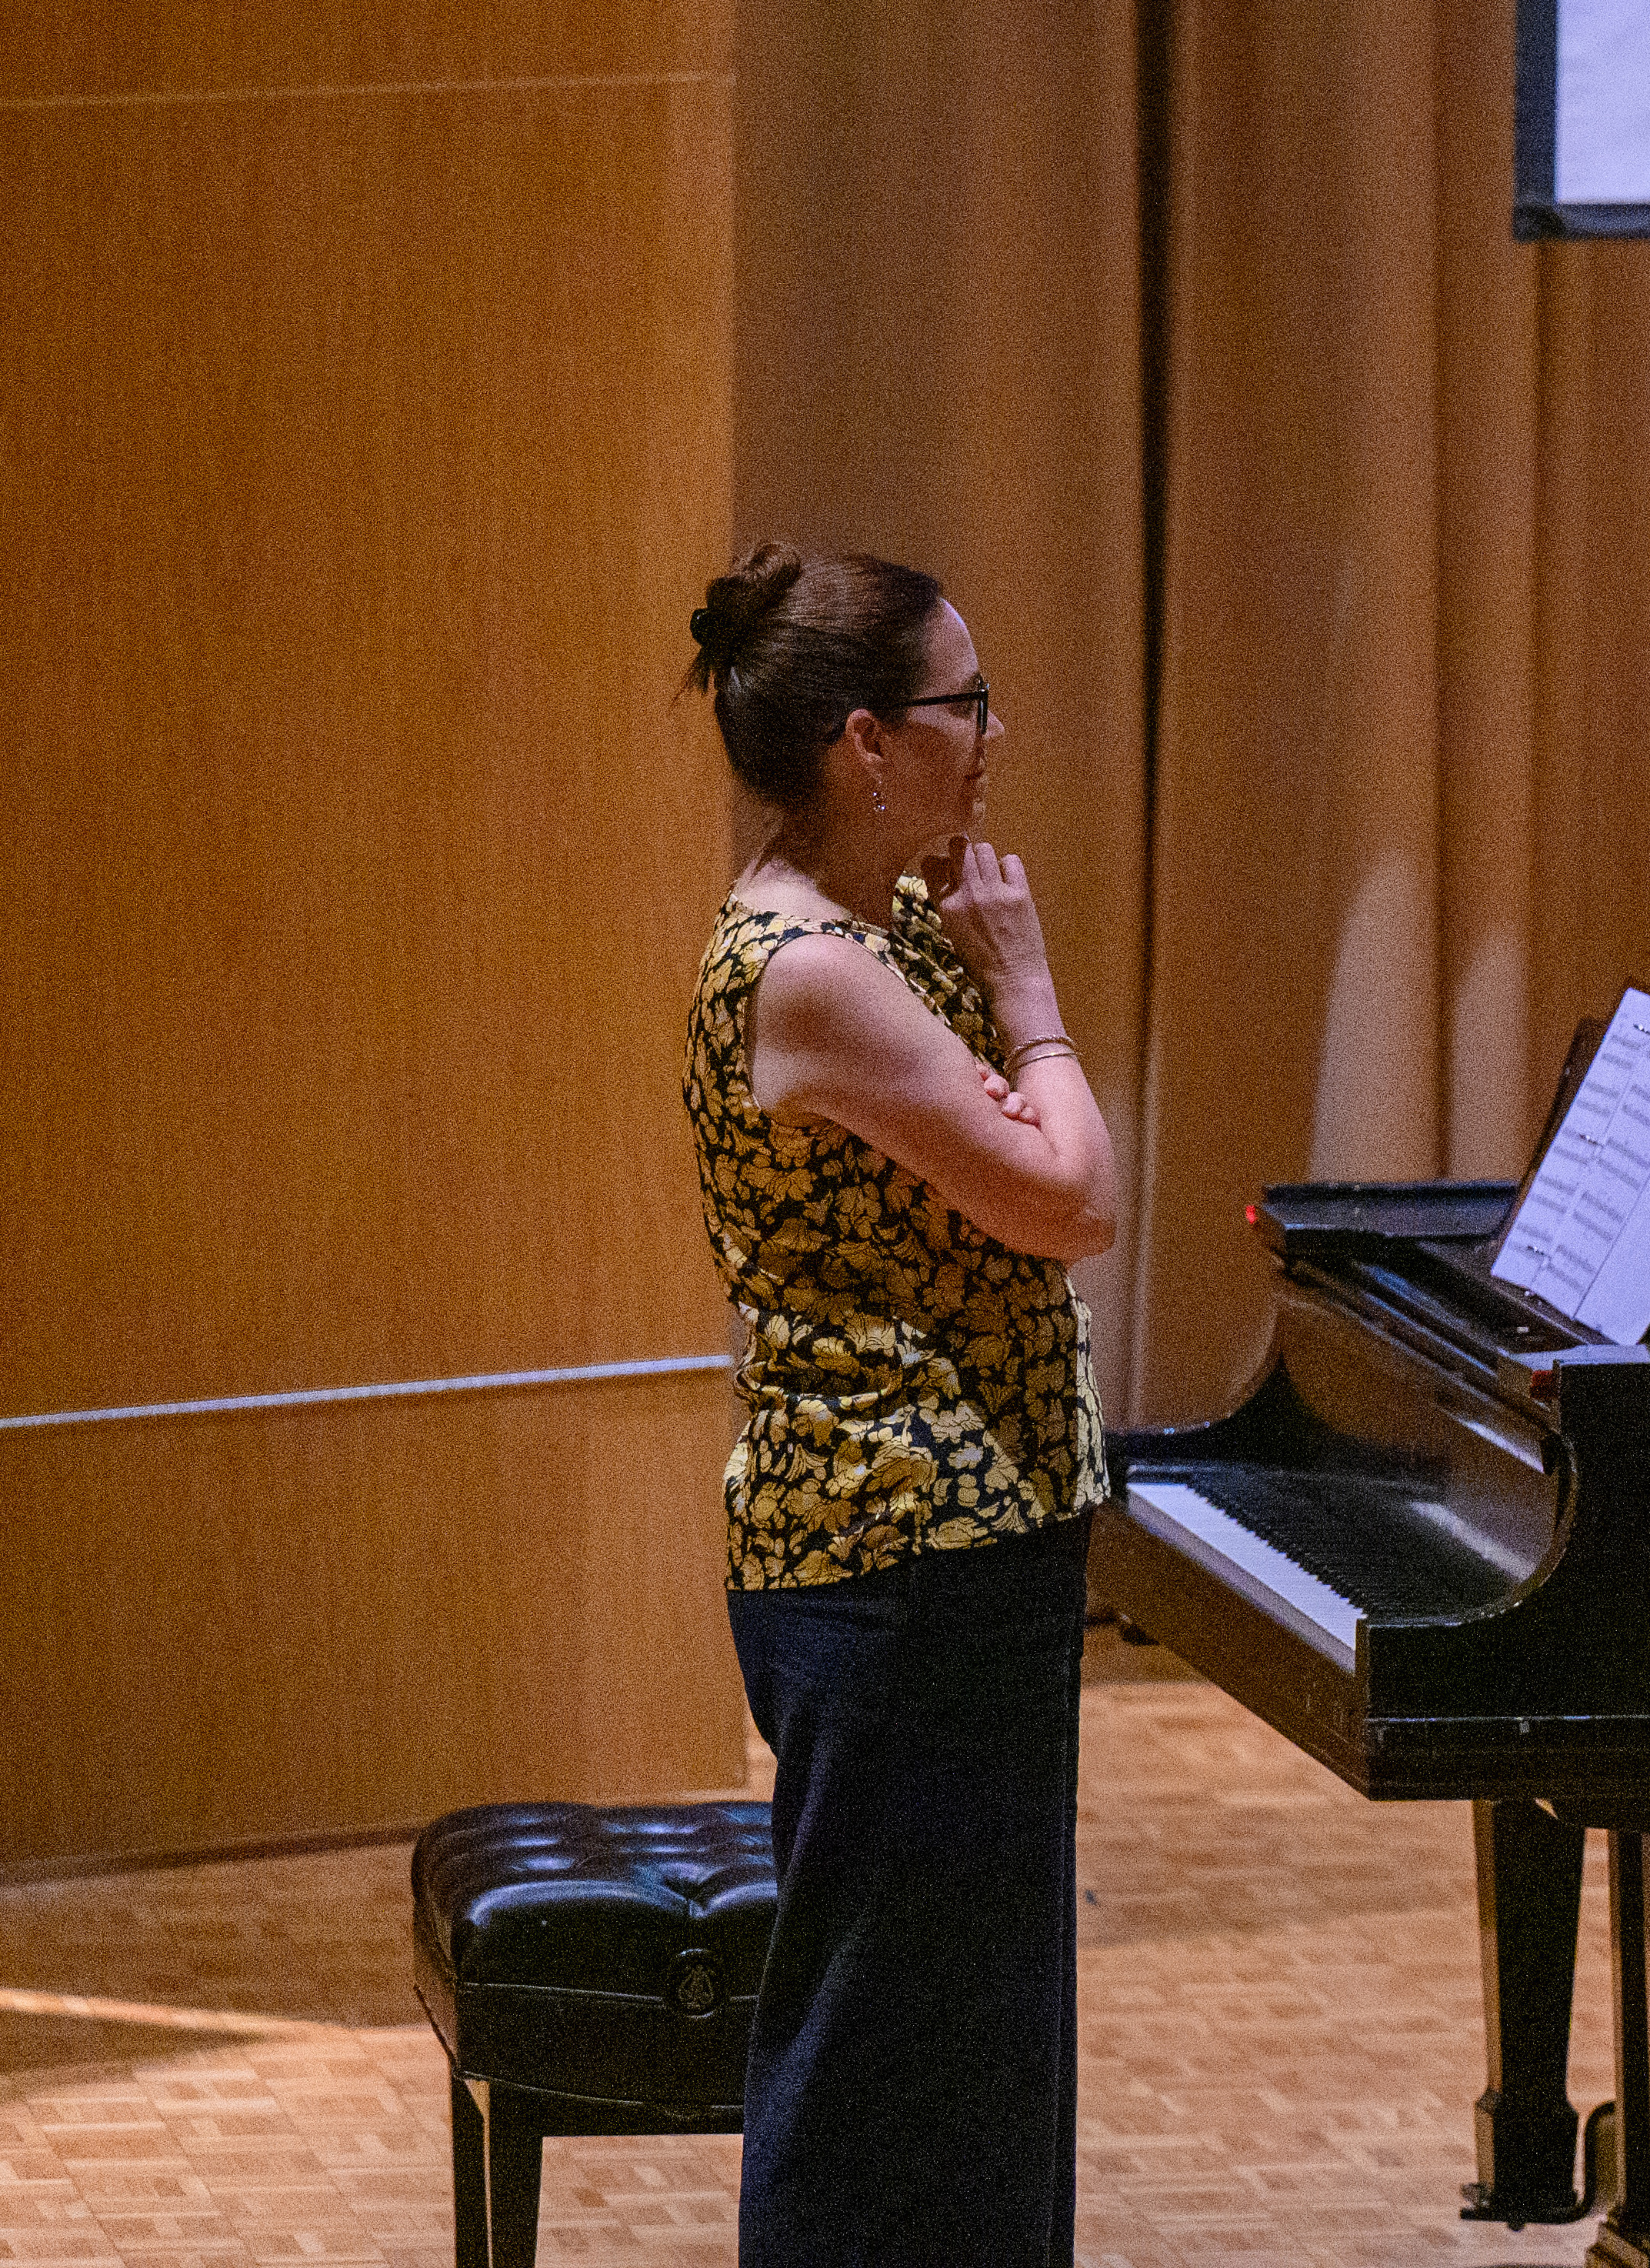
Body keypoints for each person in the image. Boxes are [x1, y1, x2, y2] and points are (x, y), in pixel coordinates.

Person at [680, 544, 1130, 2268]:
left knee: (975, 2058)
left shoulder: (875, 928)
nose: (995, 732)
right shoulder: (816, 970)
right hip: (892, 1559)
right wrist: (1028, 984)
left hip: (958, 1550)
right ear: (869, 741)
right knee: (878, 2064)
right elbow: (1069, 1199)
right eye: (967, 702)